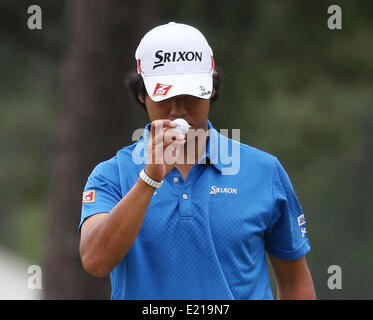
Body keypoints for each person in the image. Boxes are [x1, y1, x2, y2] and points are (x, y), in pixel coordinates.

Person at [78, 22, 316, 300]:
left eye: (191, 93)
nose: (178, 108)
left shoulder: (264, 171)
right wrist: (149, 179)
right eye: (164, 94)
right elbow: (95, 261)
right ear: (141, 95)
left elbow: (295, 283)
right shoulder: (111, 175)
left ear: (212, 88)